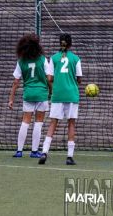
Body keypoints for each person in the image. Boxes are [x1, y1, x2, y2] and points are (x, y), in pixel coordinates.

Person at [38, 33, 82, 165]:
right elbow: (79, 78)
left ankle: (44, 152)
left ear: (60, 43)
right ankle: (69, 156)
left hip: (58, 94)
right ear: (70, 44)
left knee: (53, 123)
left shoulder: (54, 58)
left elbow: (49, 78)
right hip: (71, 94)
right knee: (71, 123)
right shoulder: (75, 58)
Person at [9, 34, 50, 158]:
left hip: (28, 93)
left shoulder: (21, 61)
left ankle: (19, 151)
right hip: (42, 93)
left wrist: (11, 99)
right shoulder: (43, 59)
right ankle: (34, 151)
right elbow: (49, 78)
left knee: (25, 122)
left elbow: (16, 81)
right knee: (38, 122)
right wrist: (52, 91)